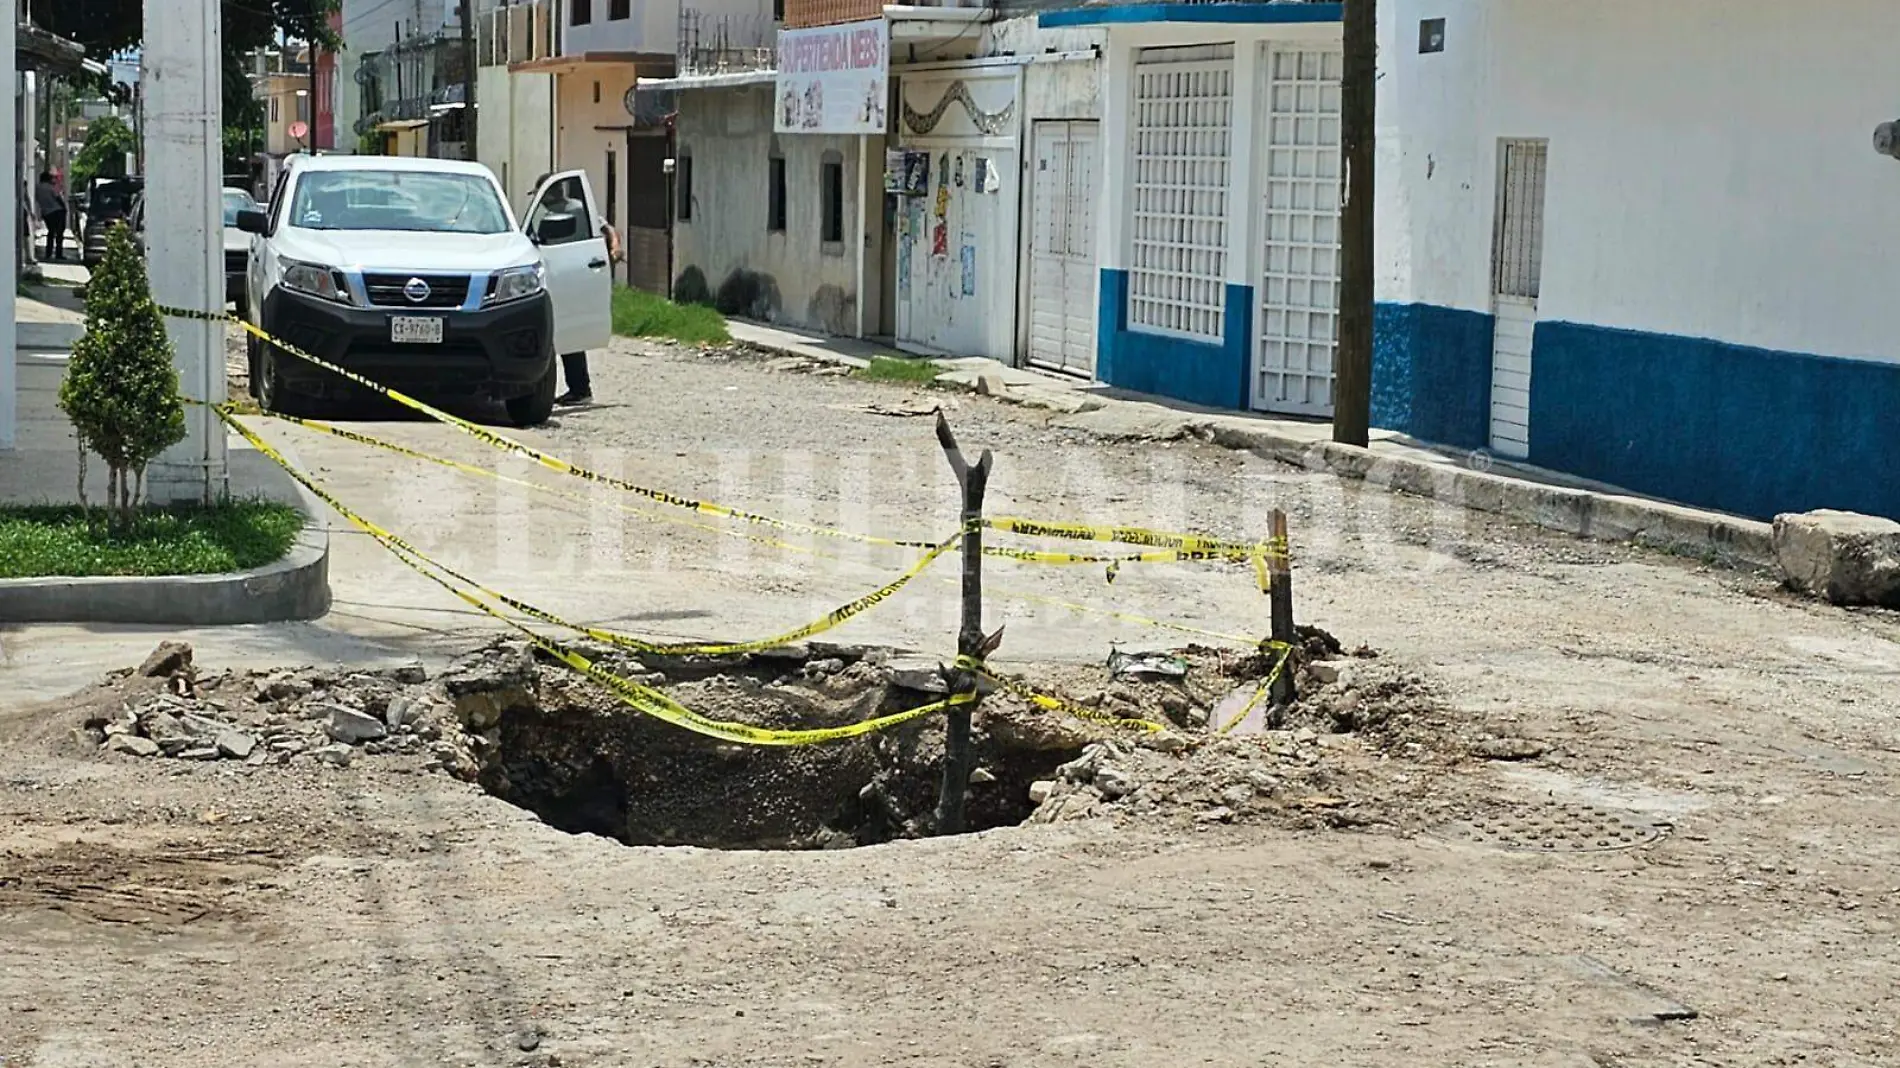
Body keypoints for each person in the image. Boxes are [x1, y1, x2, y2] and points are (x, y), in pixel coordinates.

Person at [532, 175, 622, 407]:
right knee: (567, 330)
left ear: (551, 194)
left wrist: (614, 248)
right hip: (564, 273)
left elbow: (607, 229)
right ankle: (578, 388)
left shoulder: (575, 209)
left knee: (566, 329)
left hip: (573, 273)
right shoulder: (551, 214)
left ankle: (579, 388)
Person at [35, 172, 67, 261]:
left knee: (51, 232)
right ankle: (58, 253)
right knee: (59, 233)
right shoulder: (50, 187)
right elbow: (57, 197)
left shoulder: (37, 187)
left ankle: (48, 253)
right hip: (57, 211)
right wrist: (64, 207)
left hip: (46, 213)